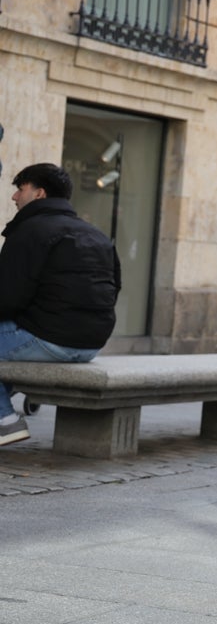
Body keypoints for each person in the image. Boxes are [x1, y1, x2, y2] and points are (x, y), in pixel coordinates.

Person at [0, 163, 121, 446]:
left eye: (20, 189)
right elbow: (113, 289)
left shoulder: (29, 231)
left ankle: (4, 420)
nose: (14, 197)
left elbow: (6, 297)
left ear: (39, 193)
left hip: (50, 340)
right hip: (91, 344)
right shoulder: (96, 234)